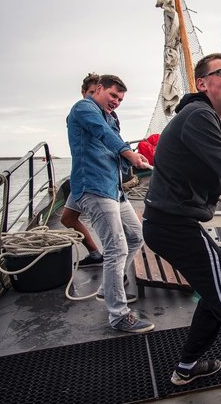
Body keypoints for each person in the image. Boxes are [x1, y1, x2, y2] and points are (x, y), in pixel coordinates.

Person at [143, 53, 221, 404]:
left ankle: (186, 366)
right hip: (172, 225)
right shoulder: (197, 116)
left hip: (178, 223)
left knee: (215, 297)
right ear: (202, 83)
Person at [65, 74, 154, 333]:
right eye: (113, 95)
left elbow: (112, 150)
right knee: (116, 248)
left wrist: (133, 160)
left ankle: (107, 289)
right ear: (99, 89)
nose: (116, 101)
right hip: (94, 188)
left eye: (120, 99)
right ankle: (118, 314)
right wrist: (129, 153)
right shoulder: (84, 108)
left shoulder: (111, 117)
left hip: (114, 189)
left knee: (136, 236)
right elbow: (102, 135)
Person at [62, 72, 106, 267]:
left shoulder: (105, 116)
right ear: (83, 93)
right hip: (80, 176)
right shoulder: (80, 112)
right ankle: (95, 253)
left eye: (96, 93)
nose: (93, 98)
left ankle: (115, 265)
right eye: (90, 93)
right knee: (68, 218)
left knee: (108, 224)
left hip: (95, 178)